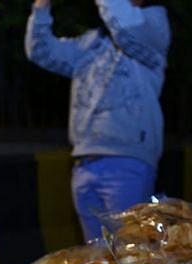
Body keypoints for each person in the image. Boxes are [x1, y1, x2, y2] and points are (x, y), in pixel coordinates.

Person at [25, 0, 170, 242]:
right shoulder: (91, 41)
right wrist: (41, 8)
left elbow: (123, 25)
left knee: (129, 249)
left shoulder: (154, 24)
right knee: (97, 256)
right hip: (84, 161)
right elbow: (41, 51)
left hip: (126, 161)